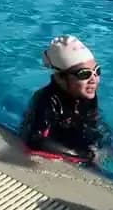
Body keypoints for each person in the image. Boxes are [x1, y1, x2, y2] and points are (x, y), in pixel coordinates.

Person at [22, 35, 105, 163]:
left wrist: (100, 147)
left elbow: (92, 124)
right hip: (61, 145)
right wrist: (83, 156)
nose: (94, 79)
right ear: (60, 78)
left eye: (97, 71)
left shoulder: (87, 94)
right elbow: (34, 140)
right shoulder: (47, 100)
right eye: (84, 74)